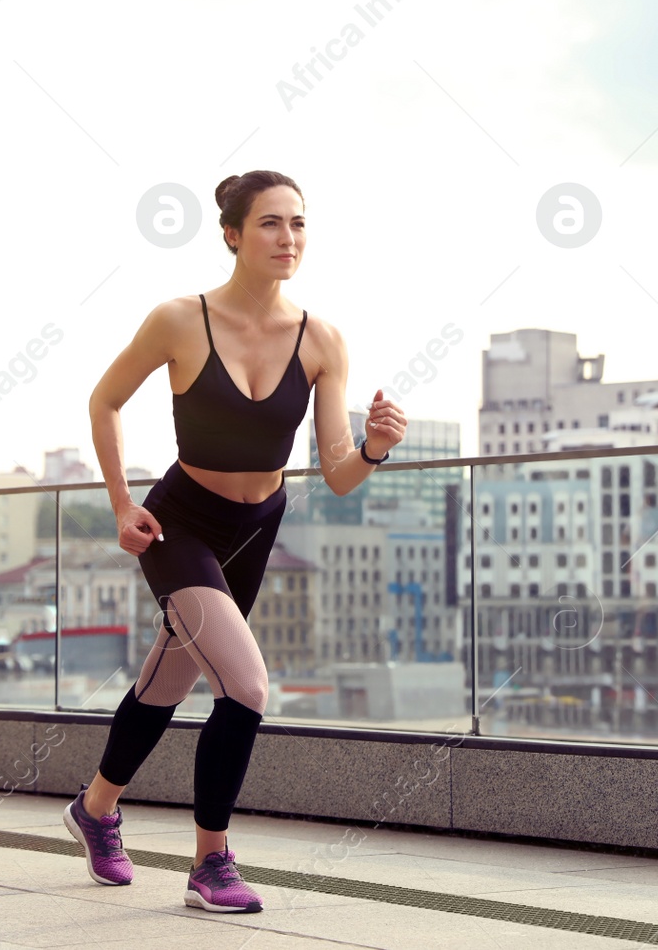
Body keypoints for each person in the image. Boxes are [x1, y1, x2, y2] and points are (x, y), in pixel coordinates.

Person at [62, 170, 407, 913]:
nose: (289, 239)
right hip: (179, 521)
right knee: (246, 687)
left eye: (300, 224)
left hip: (257, 529)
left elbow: (339, 475)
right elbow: (105, 399)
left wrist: (374, 447)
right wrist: (121, 503)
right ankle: (210, 862)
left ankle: (94, 810)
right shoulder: (179, 320)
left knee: (169, 680)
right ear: (231, 234)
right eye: (271, 224)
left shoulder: (322, 339)